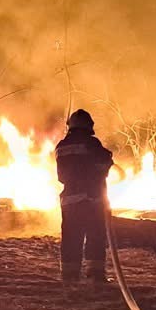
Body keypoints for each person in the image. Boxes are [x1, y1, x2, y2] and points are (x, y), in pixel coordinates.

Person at [55, 109, 114, 283]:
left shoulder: (61, 146)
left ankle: (69, 275)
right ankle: (95, 274)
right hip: (91, 199)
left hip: (69, 201)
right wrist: (108, 160)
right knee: (95, 235)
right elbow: (103, 162)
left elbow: (61, 176)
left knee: (71, 237)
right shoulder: (91, 143)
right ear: (89, 126)